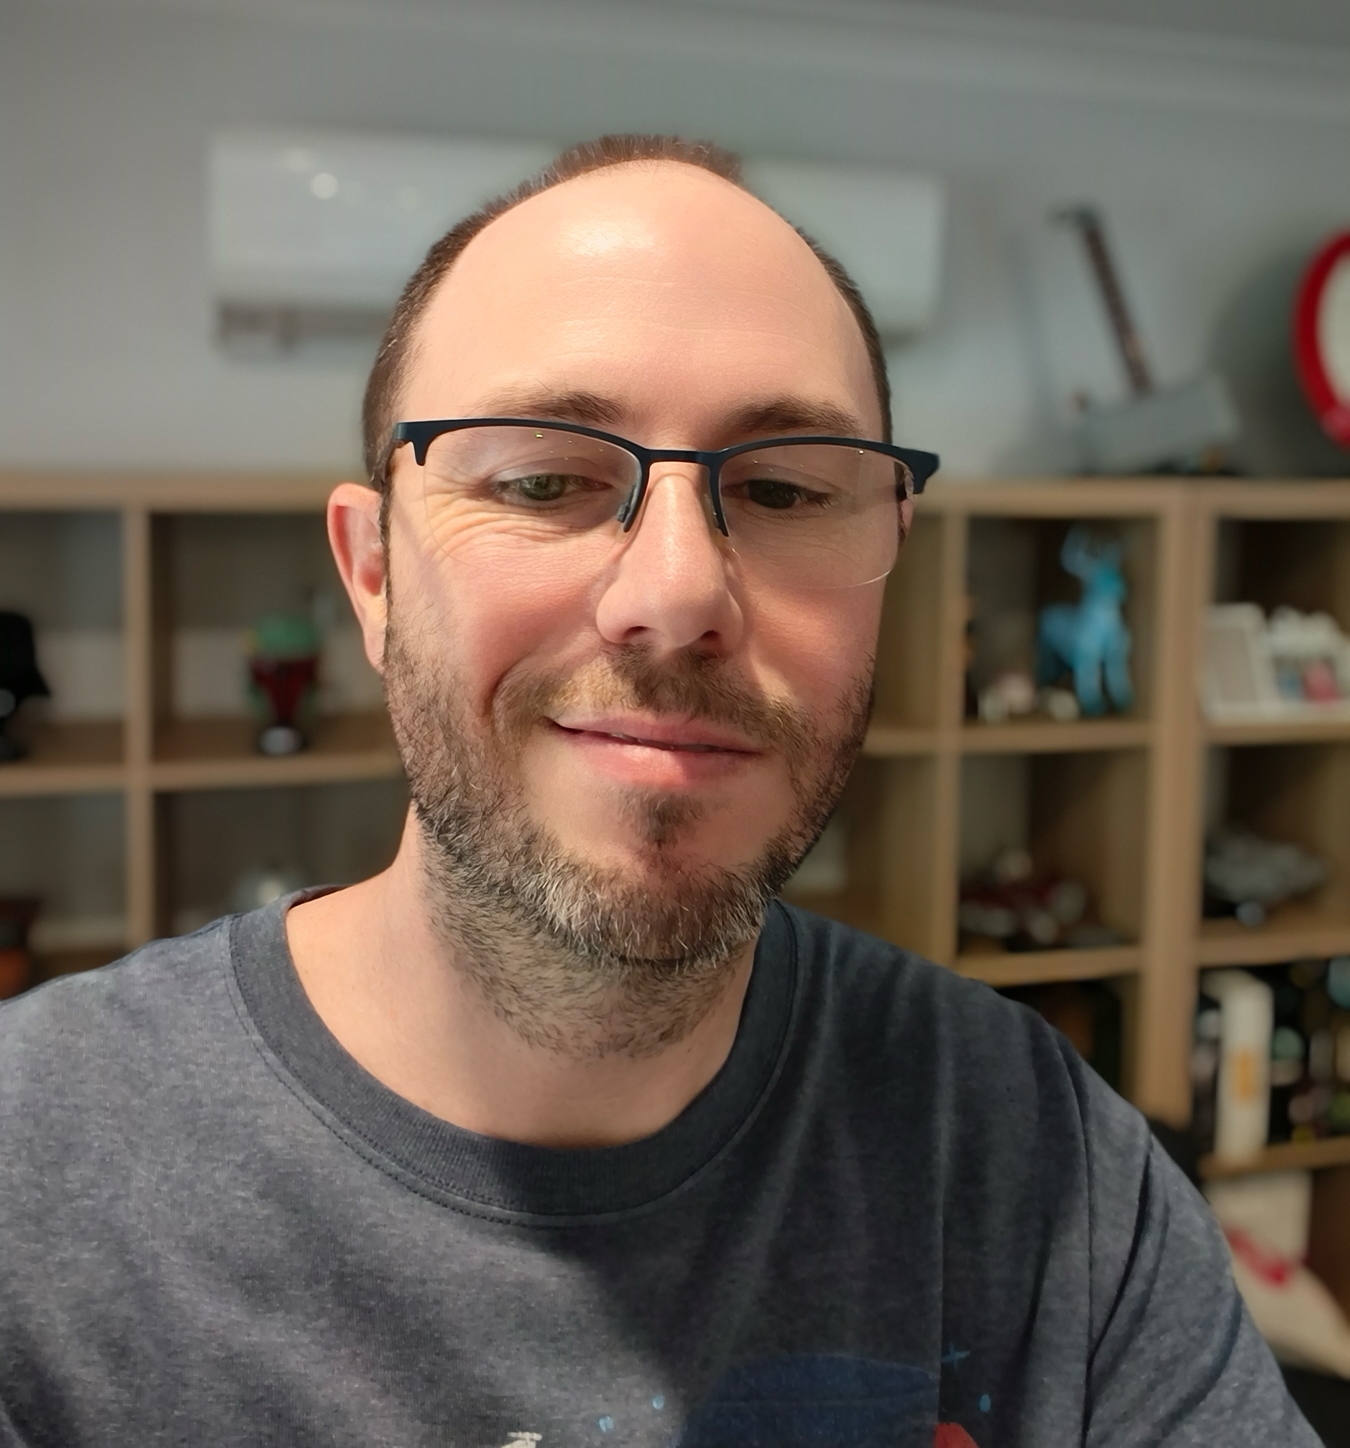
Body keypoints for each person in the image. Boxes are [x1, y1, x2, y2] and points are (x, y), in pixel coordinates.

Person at [0, 136, 1315, 1447]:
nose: (677, 594)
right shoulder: (35, 1176)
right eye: (542, 481)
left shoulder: (1026, 1150)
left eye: (788, 487)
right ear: (372, 573)